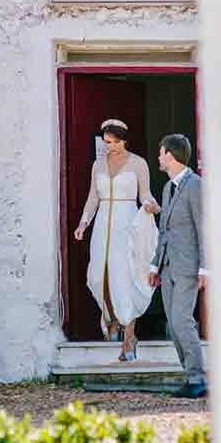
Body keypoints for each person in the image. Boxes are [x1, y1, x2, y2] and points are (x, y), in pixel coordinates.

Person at [71, 119, 160, 362]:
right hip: (102, 226)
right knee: (98, 276)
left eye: (113, 143)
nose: (109, 147)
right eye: (106, 142)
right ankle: (111, 318)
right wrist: (83, 223)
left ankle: (129, 337)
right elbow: (92, 198)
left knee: (124, 277)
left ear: (123, 141)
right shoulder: (97, 165)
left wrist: (151, 205)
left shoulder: (138, 163)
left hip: (127, 224)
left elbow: (145, 193)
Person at [150, 133, 207, 399]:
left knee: (182, 322)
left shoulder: (195, 185)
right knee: (173, 326)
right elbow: (164, 231)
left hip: (188, 266)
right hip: (168, 267)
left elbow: (204, 228)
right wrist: (154, 266)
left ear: (170, 156)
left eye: (161, 153)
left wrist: (205, 268)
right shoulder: (167, 187)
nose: (159, 158)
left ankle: (197, 377)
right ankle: (191, 375)